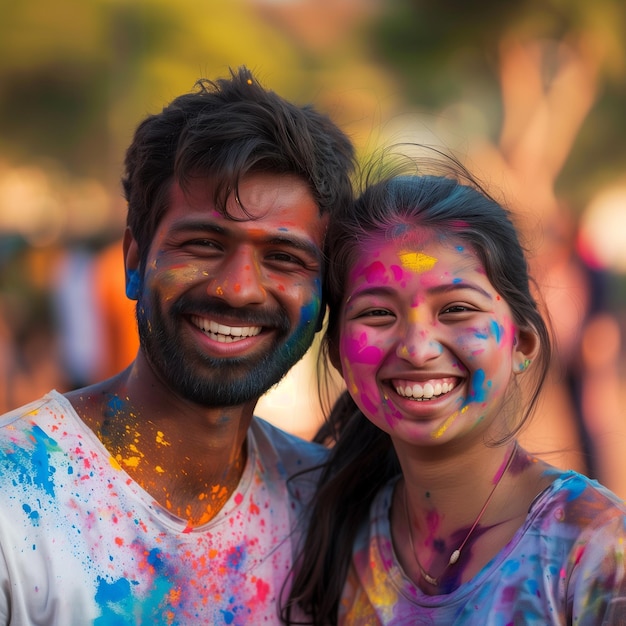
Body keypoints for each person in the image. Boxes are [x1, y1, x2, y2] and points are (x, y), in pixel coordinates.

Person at [0, 66, 355, 625]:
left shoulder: (327, 509)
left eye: (284, 257)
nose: (238, 288)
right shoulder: (14, 499)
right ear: (136, 258)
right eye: (204, 243)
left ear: (324, 295)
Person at [283, 152, 626, 625]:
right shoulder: (330, 538)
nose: (418, 348)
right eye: (378, 313)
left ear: (521, 341)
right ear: (339, 355)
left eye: (457, 309)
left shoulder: (597, 549)